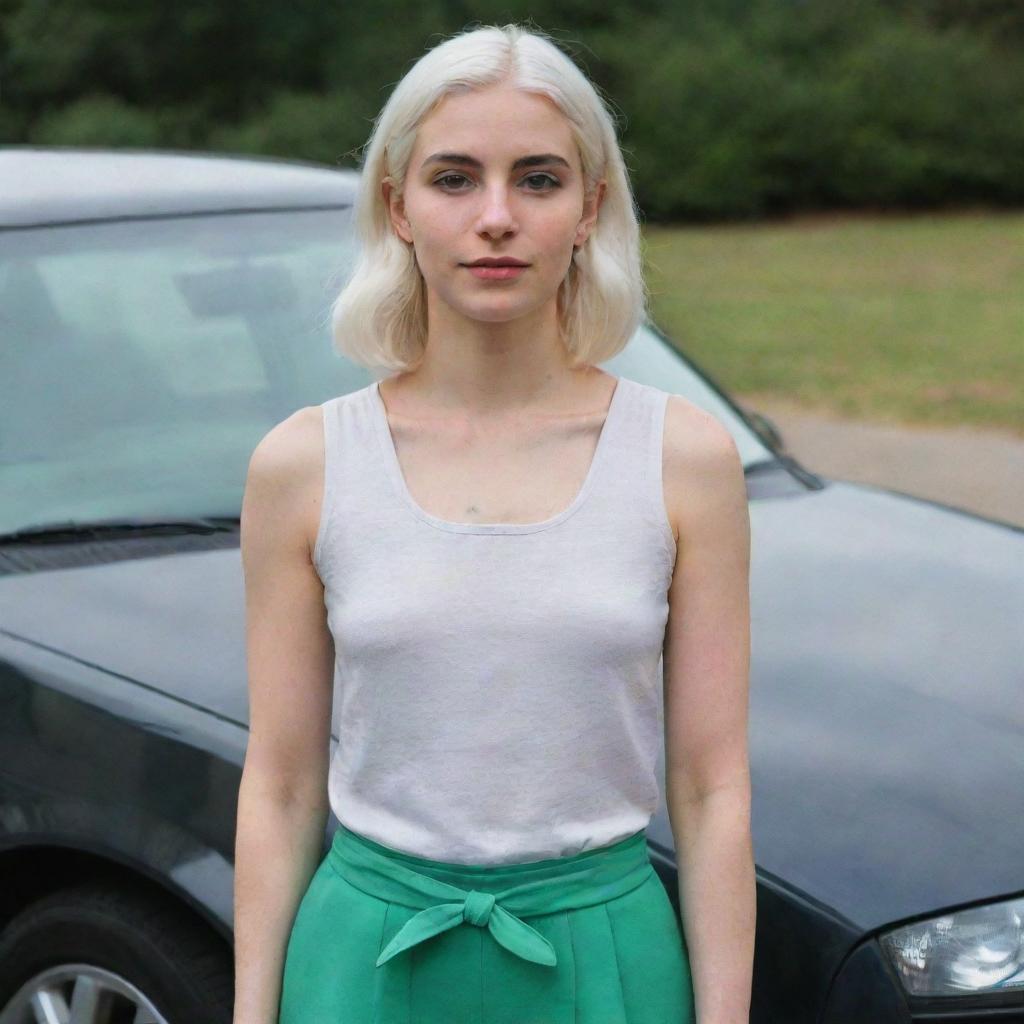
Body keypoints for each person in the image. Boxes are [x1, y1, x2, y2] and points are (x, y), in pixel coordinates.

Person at [232, 22, 755, 1024]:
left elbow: (711, 785)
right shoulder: (303, 464)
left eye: (540, 179)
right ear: (398, 206)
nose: (497, 217)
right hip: (363, 963)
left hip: (604, 959)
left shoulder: (683, 459)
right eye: (455, 178)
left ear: (589, 207)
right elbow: (283, 784)